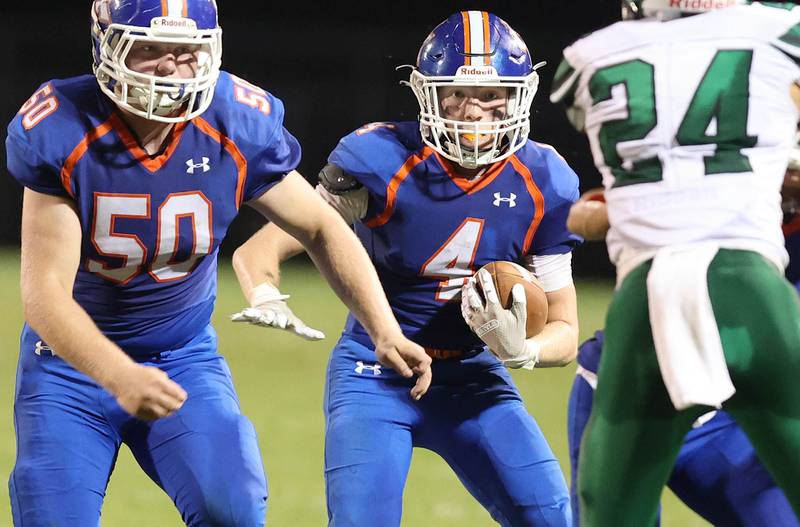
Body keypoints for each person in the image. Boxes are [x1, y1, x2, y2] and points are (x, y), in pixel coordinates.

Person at [5, 1, 431, 525]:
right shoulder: (63, 127)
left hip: (180, 354)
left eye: (185, 52)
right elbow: (45, 293)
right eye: (149, 49)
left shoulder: (235, 120)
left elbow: (321, 225)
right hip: (68, 366)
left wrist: (384, 330)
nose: (169, 67)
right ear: (106, 45)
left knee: (233, 508)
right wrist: (118, 373)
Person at [231, 11, 580, 527]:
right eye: (457, 95)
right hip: (375, 371)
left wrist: (525, 350)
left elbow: (566, 333)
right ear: (427, 95)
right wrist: (262, 289)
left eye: (491, 97)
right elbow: (270, 244)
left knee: (554, 518)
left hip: (473, 377)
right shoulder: (379, 159)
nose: (474, 113)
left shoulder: (545, 179)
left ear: (518, 97)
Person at [550, 0, 800, 524]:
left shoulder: (590, 57)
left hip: (649, 297)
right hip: (749, 289)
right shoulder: (778, 31)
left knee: (611, 510)